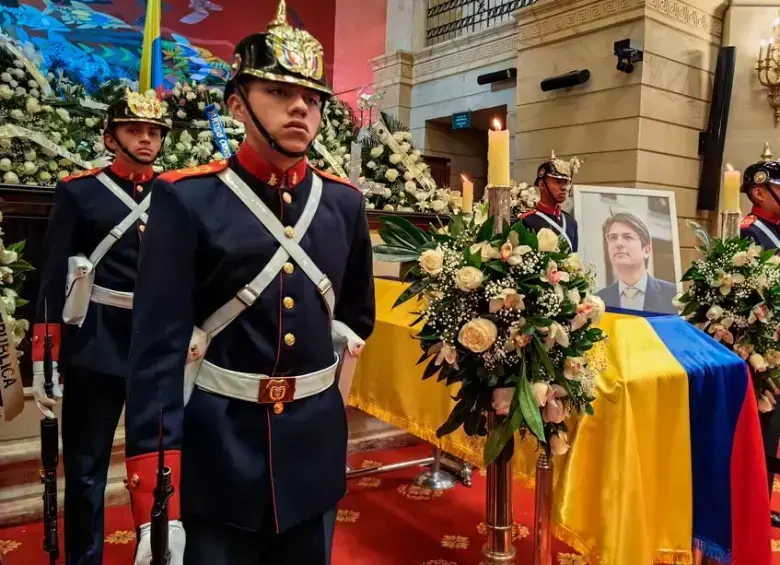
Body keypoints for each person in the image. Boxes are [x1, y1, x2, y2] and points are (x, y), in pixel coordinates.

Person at [123, 2, 376, 564]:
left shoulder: (344, 204)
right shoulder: (187, 198)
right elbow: (157, 352)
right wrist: (155, 488)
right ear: (237, 104)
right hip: (219, 452)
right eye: (279, 93)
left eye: (311, 98)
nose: (299, 109)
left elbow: (356, 317)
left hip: (312, 451)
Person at [30, 89, 170, 564]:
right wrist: (45, 359)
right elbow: (53, 279)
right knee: (86, 468)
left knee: (158, 468)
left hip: (157, 347)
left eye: (154, 132)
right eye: (135, 130)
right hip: (96, 344)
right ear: (111, 137)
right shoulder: (80, 191)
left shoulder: (175, 194)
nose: (147, 139)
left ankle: (156, 554)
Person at [739, 143, 780, 528]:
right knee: (760, 430)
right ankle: (752, 500)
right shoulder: (749, 234)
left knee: (774, 430)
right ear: (759, 192)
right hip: (760, 349)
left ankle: (763, 497)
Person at [597, 212, 677, 314]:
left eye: (627, 237)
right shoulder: (599, 300)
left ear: (647, 250)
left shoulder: (673, 294)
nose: (618, 243)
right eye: (613, 238)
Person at [521, 151, 580, 252]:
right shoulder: (527, 221)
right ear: (542, 185)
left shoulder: (571, 223)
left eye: (566, 182)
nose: (564, 188)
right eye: (558, 182)